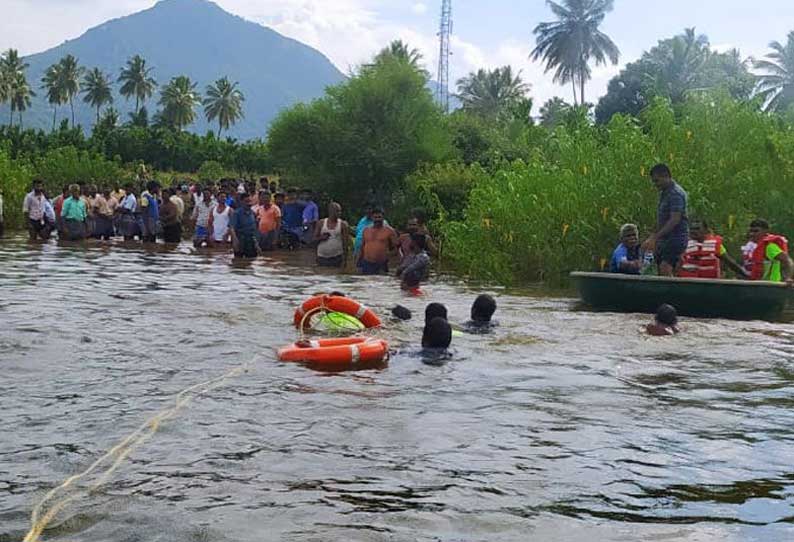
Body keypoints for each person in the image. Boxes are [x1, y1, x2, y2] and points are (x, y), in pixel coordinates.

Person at [642, 164, 688, 276]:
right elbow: (662, 218)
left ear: (666, 176)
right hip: (664, 240)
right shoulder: (664, 193)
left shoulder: (675, 194)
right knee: (660, 269)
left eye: (657, 181)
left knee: (665, 268)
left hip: (675, 239)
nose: (655, 184)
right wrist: (653, 236)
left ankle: (670, 292)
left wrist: (655, 237)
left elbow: (674, 220)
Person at [678, 219, 746, 279]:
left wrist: (746, 275)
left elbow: (730, 263)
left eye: (697, 229)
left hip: (710, 283)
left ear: (705, 230)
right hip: (690, 283)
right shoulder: (685, 245)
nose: (693, 231)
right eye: (692, 229)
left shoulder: (715, 245)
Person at [747, 219, 793, 283]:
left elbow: (787, 261)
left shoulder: (769, 247)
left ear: (765, 231)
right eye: (750, 231)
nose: (752, 234)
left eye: (756, 231)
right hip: (763, 286)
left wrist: (787, 278)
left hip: (773, 286)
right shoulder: (755, 247)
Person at [358, 208, 398, 275]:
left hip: (381, 263)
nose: (377, 219)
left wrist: (387, 257)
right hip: (366, 263)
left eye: (379, 217)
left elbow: (396, 249)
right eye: (375, 217)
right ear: (372, 218)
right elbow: (362, 247)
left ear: (383, 218)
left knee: (381, 282)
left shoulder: (390, 231)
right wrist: (359, 263)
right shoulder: (366, 230)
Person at [315, 202, 349, 267]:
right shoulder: (321, 223)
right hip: (321, 257)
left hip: (337, 257)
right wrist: (321, 237)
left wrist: (345, 261)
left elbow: (345, 243)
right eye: (337, 211)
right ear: (330, 211)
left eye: (340, 211)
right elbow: (313, 240)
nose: (339, 213)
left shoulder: (343, 224)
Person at [229, 192, 258, 258]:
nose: (249, 203)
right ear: (241, 202)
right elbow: (231, 228)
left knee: (251, 260)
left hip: (251, 241)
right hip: (240, 240)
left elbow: (255, 229)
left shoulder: (253, 213)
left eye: (250, 201)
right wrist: (235, 241)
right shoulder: (236, 213)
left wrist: (256, 243)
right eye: (246, 201)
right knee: (238, 261)